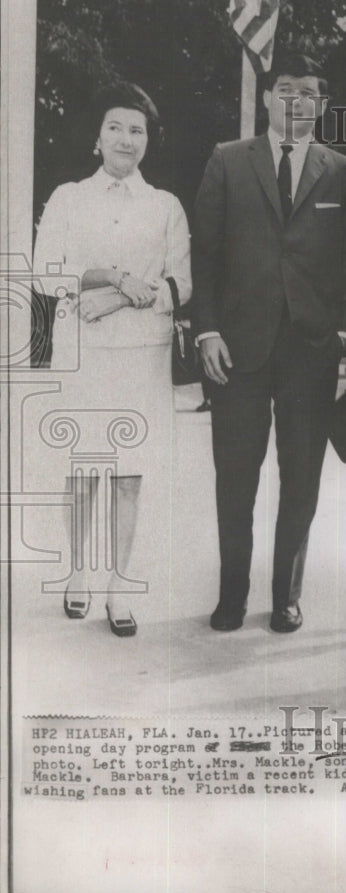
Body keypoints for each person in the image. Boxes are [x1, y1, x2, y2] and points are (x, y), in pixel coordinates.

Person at [192, 53, 346, 634]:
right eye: (286, 89)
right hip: (237, 350)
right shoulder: (227, 160)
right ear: (268, 98)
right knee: (235, 478)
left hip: (311, 351)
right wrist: (208, 330)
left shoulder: (344, 171)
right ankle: (231, 595)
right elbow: (206, 255)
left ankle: (286, 596)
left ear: (322, 105)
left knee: (301, 480)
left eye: (310, 92)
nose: (296, 100)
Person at [33, 81, 191, 637]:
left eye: (137, 130)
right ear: (97, 137)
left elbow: (180, 284)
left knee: (128, 475)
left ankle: (120, 585)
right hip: (84, 355)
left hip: (140, 360)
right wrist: (112, 275)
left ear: (149, 141)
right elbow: (46, 274)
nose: (126, 139)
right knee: (84, 470)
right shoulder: (68, 197)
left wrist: (120, 297)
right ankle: (79, 573)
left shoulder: (165, 206)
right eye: (116, 127)